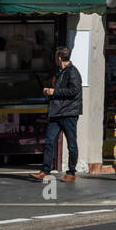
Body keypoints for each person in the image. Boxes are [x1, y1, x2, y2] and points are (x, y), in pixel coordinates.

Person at [34, 46, 82, 182]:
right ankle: (45, 170)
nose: (55, 59)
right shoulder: (61, 72)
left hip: (68, 114)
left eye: (56, 57)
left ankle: (71, 172)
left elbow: (74, 91)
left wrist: (54, 92)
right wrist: (49, 92)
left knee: (71, 144)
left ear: (59, 58)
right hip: (56, 113)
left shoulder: (72, 72)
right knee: (49, 142)